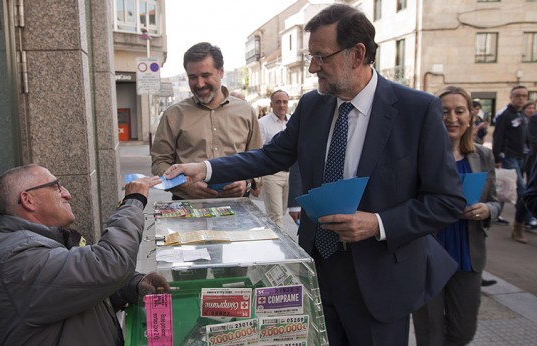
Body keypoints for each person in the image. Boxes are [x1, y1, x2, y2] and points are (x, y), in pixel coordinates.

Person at [164, 5, 464, 345]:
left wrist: (378, 223)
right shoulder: (312, 105)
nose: (311, 67)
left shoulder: (417, 110)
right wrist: (205, 168)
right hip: (317, 270)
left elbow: (446, 202)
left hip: (380, 279)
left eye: (320, 57)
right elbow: (270, 155)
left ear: (357, 54)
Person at [0, 164, 169, 345]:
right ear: (28, 199)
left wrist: (133, 286)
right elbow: (109, 264)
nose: (67, 194)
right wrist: (133, 202)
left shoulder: (47, 241)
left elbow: (85, 287)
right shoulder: (17, 257)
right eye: (56, 187)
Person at [412, 86, 500, 346]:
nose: (452, 118)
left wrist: (487, 211)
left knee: (463, 332)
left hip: (467, 256)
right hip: (428, 255)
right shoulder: (418, 157)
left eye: (459, 111)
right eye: (444, 111)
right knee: (430, 335)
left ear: (470, 115)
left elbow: (495, 202)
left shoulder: (483, 156)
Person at [151, 42, 262, 200]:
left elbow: (258, 159)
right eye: (193, 77)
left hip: (236, 207)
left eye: (205, 75)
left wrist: (247, 182)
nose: (200, 84)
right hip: (188, 208)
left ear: (221, 72)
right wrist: (183, 185)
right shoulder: (173, 115)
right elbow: (159, 162)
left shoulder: (246, 111)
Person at [492, 85, 532, 242]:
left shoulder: (523, 115)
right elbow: (498, 137)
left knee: (507, 190)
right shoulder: (505, 115)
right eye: (518, 96)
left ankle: (497, 214)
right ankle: (521, 223)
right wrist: (497, 159)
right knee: (522, 192)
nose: (521, 98)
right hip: (509, 157)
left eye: (524, 95)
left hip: (523, 157)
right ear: (511, 97)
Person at [258, 90, 291, 228]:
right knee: (275, 216)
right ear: (271, 105)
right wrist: (257, 179)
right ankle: (280, 249)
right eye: (278, 102)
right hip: (272, 174)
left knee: (282, 212)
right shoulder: (262, 123)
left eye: (285, 102)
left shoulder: (293, 121)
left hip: (290, 174)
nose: (282, 105)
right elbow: (258, 151)